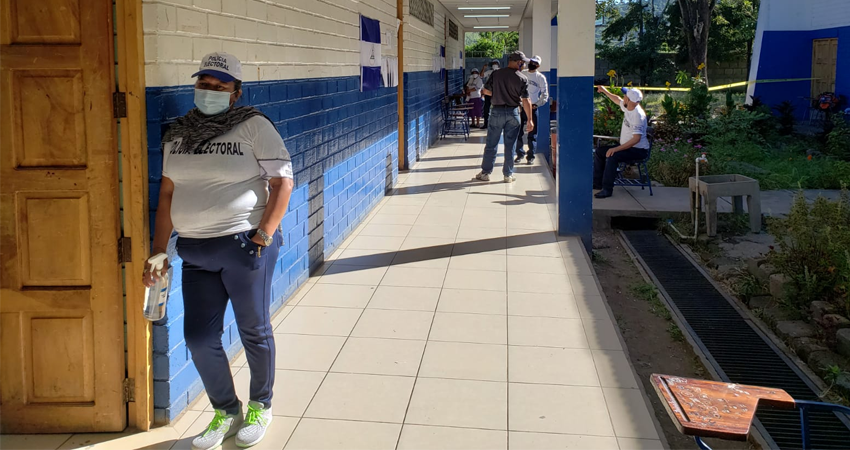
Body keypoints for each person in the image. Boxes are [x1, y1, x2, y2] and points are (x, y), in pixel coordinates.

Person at [144, 52, 295, 450]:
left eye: (219, 85)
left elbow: (282, 182)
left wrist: (263, 236)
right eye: (203, 84)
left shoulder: (253, 126)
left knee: (253, 330)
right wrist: (159, 250)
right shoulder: (178, 134)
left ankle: (261, 405)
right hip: (195, 251)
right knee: (198, 337)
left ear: (235, 92)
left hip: (244, 247)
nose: (209, 90)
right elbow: (168, 193)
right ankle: (226, 410)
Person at [475, 51, 534, 183]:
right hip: (514, 113)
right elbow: (526, 100)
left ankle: (485, 173)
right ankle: (508, 175)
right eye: (523, 63)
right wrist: (530, 120)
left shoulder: (496, 74)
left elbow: (486, 91)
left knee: (491, 144)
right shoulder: (522, 78)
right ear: (518, 62)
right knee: (510, 145)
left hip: (497, 112)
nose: (524, 65)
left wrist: (498, 93)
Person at [593, 86, 650, 198]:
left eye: (625, 96)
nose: (623, 97)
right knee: (600, 152)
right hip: (627, 147)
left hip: (638, 150)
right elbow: (616, 99)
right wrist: (604, 91)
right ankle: (597, 184)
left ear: (628, 100)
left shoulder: (638, 116)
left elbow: (636, 139)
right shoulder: (628, 107)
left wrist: (615, 149)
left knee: (613, 156)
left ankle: (607, 189)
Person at [514, 55, 549, 164]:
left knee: (532, 134)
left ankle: (531, 156)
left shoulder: (540, 78)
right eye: (532, 62)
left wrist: (537, 104)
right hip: (520, 107)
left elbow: (545, 95)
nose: (532, 64)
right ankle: (519, 154)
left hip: (532, 108)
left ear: (538, 66)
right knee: (518, 132)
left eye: (535, 63)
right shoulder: (522, 74)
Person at [479, 59, 499, 129]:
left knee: (498, 108)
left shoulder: (501, 72)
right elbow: (481, 76)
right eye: (493, 63)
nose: (494, 65)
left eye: (496, 63)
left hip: (497, 93)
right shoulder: (489, 72)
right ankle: (486, 123)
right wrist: (484, 68)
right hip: (488, 92)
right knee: (486, 108)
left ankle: (497, 124)